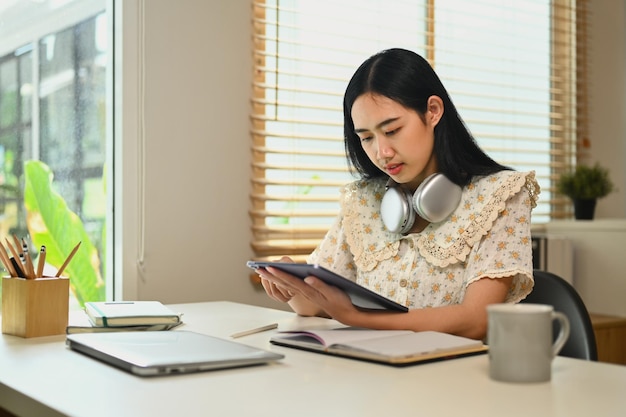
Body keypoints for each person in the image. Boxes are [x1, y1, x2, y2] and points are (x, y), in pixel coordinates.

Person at [257, 48, 539, 340]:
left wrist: (357, 317)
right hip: (375, 371)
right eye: (366, 137)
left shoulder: (500, 195)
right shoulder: (364, 201)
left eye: (392, 130)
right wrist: (290, 283)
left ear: (433, 111)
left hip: (457, 376)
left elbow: (477, 320)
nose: (382, 153)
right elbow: (315, 306)